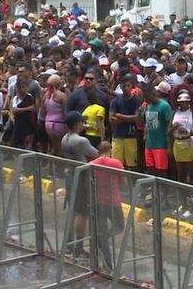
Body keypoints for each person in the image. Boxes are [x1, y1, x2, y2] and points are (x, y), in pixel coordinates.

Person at [61, 110, 98, 258]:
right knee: (82, 213)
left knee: (73, 210)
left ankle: (69, 243)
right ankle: (78, 246)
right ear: (77, 124)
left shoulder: (65, 138)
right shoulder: (81, 141)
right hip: (82, 177)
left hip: (70, 174)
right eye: (82, 122)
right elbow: (95, 154)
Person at [90, 141, 125, 271]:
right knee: (119, 225)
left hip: (98, 201)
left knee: (102, 230)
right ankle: (104, 237)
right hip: (113, 201)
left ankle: (108, 263)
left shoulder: (92, 164)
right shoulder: (115, 163)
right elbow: (124, 181)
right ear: (110, 150)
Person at [109, 75, 141, 171]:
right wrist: (128, 119)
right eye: (124, 86)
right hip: (118, 135)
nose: (126, 88)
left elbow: (136, 118)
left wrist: (120, 116)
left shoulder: (136, 100)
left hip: (131, 136)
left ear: (132, 86)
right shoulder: (115, 101)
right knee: (116, 164)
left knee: (131, 165)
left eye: (128, 85)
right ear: (121, 87)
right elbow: (111, 119)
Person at [141, 83, 172, 178]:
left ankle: (162, 191)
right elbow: (146, 122)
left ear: (153, 94)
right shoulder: (148, 106)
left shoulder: (164, 106)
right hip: (149, 143)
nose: (145, 99)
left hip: (160, 144)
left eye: (146, 96)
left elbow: (168, 126)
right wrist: (145, 134)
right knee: (150, 169)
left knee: (161, 170)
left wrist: (169, 145)